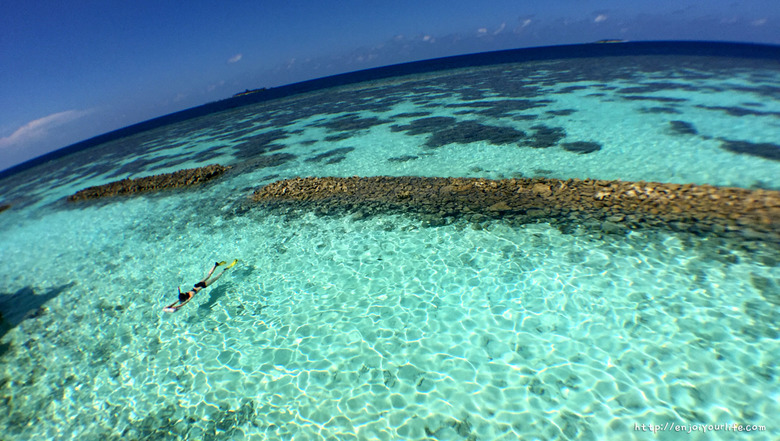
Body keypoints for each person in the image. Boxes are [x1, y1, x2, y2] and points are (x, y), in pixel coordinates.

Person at [163, 260, 238, 312]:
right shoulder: (185, 293)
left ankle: (225, 269)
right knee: (208, 275)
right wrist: (170, 306)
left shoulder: (190, 296)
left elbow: (183, 303)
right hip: (196, 285)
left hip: (203, 286)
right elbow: (178, 300)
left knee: (216, 278)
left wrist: (176, 307)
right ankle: (215, 265)